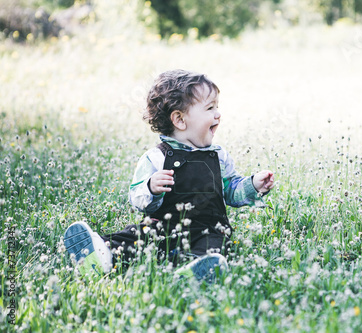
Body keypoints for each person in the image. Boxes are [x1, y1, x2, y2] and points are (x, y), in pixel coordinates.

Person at [63, 69, 275, 281]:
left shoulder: (218, 157)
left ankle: (196, 270)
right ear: (180, 120)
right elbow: (136, 198)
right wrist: (151, 188)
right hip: (162, 227)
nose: (218, 114)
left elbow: (230, 190)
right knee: (138, 237)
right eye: (210, 108)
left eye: (217, 107)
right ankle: (101, 254)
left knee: (215, 246)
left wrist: (252, 185)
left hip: (207, 230)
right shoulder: (156, 158)